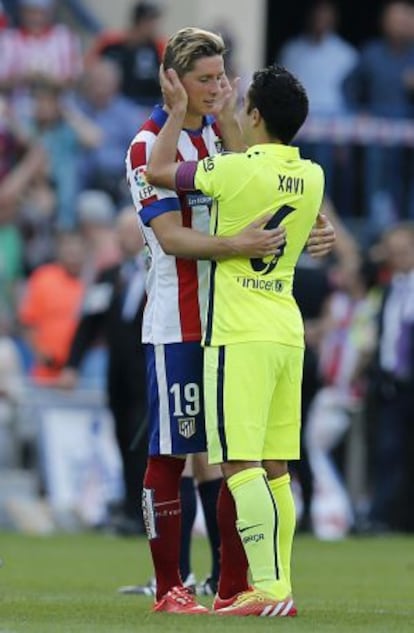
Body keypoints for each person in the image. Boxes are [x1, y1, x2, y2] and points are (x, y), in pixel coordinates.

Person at [126, 27, 335, 615]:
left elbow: (265, 189)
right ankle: (170, 586)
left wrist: (309, 230)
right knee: (171, 454)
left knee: (229, 453)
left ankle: (233, 585)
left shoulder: (224, 137)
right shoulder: (147, 146)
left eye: (223, 77)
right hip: (178, 319)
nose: (220, 88)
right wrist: (237, 242)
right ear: (174, 81)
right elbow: (168, 237)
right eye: (206, 79)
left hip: (232, 320)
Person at [57, 208, 148, 535]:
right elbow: (88, 325)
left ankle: (144, 513)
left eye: (126, 231)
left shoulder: (158, 273)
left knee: (142, 443)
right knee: (123, 438)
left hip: (148, 372)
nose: (120, 237)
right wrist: (72, 365)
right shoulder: (109, 276)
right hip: (118, 374)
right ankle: (129, 509)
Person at [87, 1, 165, 109]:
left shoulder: (159, 47)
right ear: (141, 22)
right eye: (152, 21)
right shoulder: (110, 43)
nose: (155, 26)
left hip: (150, 106)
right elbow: (89, 68)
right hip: (112, 104)